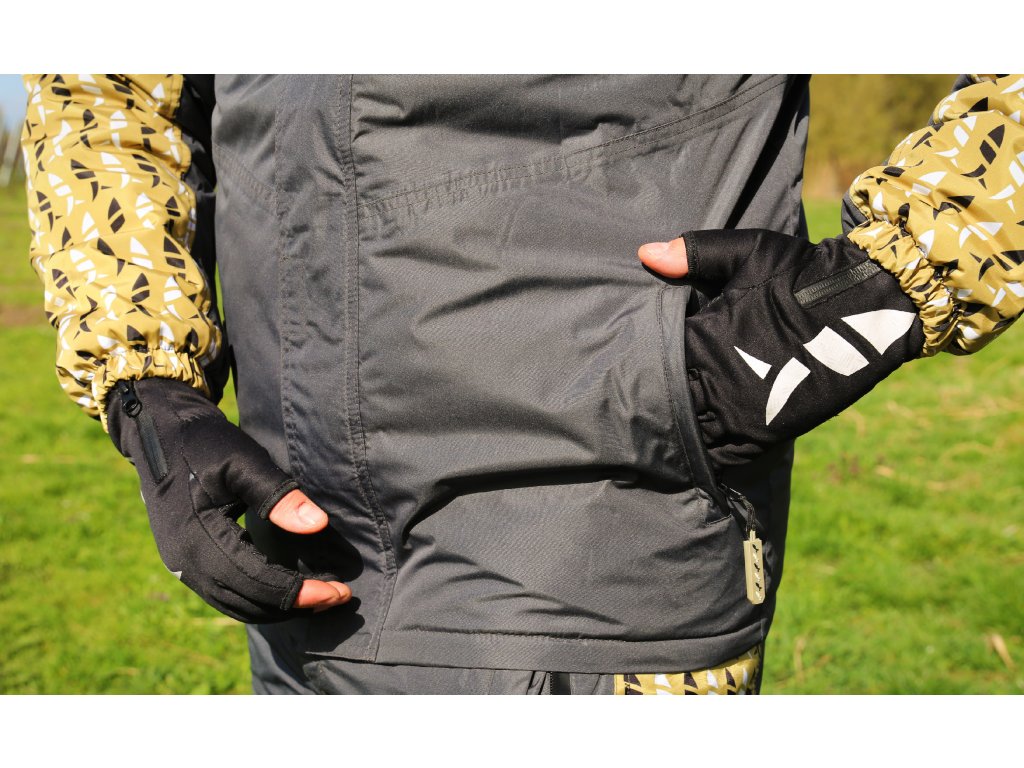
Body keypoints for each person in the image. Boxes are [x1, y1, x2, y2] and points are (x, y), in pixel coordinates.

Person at [20, 74, 1023, 695]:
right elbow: (103, 92)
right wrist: (143, 378)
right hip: (305, 581)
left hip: (598, 558)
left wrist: (891, 280)